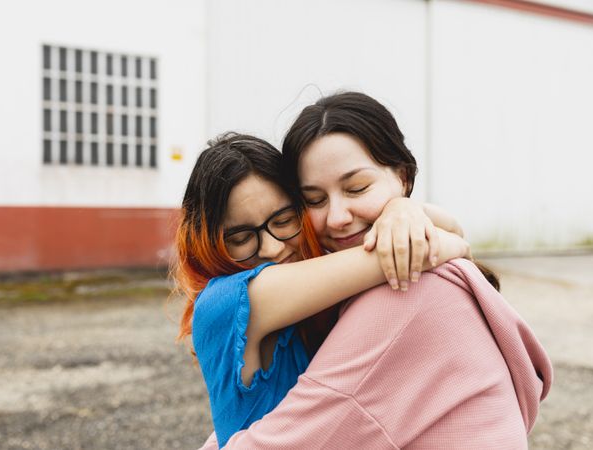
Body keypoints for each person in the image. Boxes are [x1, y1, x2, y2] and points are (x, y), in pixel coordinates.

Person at [201, 92, 553, 449]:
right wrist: (436, 233)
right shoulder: (256, 300)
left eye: (357, 188)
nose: (337, 218)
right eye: (315, 200)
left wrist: (414, 218)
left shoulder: (402, 292)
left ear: (403, 177)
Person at [175, 133, 470, 447]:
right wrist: (404, 215)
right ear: (207, 241)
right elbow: (433, 245)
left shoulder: (315, 295)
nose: (273, 248)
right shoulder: (225, 302)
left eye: (284, 219)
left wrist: (401, 210)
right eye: (241, 238)